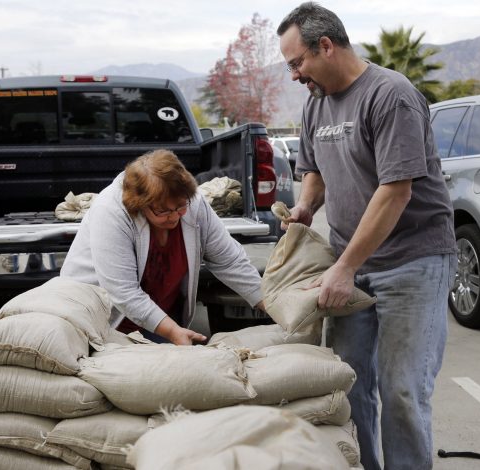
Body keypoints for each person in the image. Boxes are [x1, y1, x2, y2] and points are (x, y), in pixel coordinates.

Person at [278, 4, 457, 469]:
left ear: (326, 46)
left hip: (413, 261)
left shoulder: (389, 95)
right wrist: (304, 208)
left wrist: (344, 267)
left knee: (403, 389)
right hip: (353, 264)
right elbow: (314, 171)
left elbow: (395, 191)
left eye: (297, 62)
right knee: (349, 383)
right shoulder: (315, 103)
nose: (295, 75)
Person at [61, 149, 265, 345]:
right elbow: (123, 292)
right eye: (163, 211)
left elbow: (230, 261)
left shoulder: (193, 202)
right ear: (139, 203)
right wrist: (173, 332)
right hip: (106, 321)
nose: (175, 216)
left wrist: (272, 303)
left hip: (159, 319)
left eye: (181, 207)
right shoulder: (111, 211)